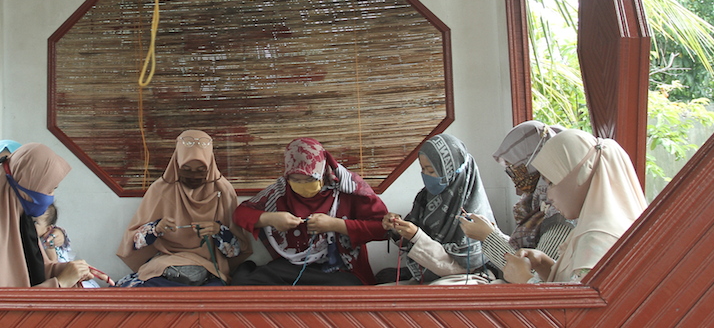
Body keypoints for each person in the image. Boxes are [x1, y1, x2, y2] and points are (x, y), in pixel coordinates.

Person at [232, 137, 388, 286]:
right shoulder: (280, 191)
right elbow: (240, 214)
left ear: (323, 172)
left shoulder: (348, 189)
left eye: (310, 179)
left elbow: (383, 229)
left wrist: (336, 225)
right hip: (294, 266)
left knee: (347, 292)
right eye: (296, 180)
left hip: (340, 269)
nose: (303, 185)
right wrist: (270, 218)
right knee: (247, 284)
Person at [505, 129, 646, 283]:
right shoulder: (594, 226)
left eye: (551, 183)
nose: (549, 196)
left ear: (580, 177)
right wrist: (544, 264)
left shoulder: (598, 237)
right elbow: (573, 282)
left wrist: (525, 280)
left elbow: (582, 298)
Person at [0, 142, 105, 287]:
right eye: (48, 189)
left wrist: (72, 270)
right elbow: (1, 300)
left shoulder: (18, 220)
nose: (51, 196)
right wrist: (60, 283)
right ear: (25, 184)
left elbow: (32, 269)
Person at [116, 130, 251, 287]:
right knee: (146, 290)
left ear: (210, 165)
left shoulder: (223, 191)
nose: (193, 175)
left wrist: (218, 231)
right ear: (177, 164)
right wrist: (156, 228)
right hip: (165, 263)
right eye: (186, 169)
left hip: (208, 266)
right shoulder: (161, 189)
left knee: (215, 296)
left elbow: (236, 251)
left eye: (201, 170)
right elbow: (134, 242)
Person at [458, 121, 574, 278]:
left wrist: (488, 236)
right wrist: (492, 233)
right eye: (508, 168)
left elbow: (533, 275)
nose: (512, 175)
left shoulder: (561, 214)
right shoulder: (534, 204)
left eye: (515, 167)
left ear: (535, 162)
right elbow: (524, 254)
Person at [384, 133, 495, 284]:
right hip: (430, 275)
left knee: (434, 291)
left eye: (431, 171)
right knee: (380, 290)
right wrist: (397, 229)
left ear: (450, 170)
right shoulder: (424, 198)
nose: (425, 175)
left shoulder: (472, 210)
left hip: (468, 277)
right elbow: (410, 240)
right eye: (423, 169)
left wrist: (417, 236)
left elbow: (462, 267)